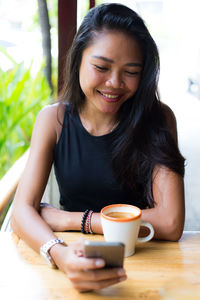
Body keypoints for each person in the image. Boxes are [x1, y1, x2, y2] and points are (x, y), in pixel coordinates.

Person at [11, 3, 185, 292]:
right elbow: (21, 212)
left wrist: (69, 219)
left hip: (143, 261)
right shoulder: (53, 120)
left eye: (131, 71)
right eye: (101, 67)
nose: (114, 83)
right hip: (71, 252)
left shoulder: (159, 118)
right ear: (78, 59)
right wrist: (59, 253)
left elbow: (170, 222)